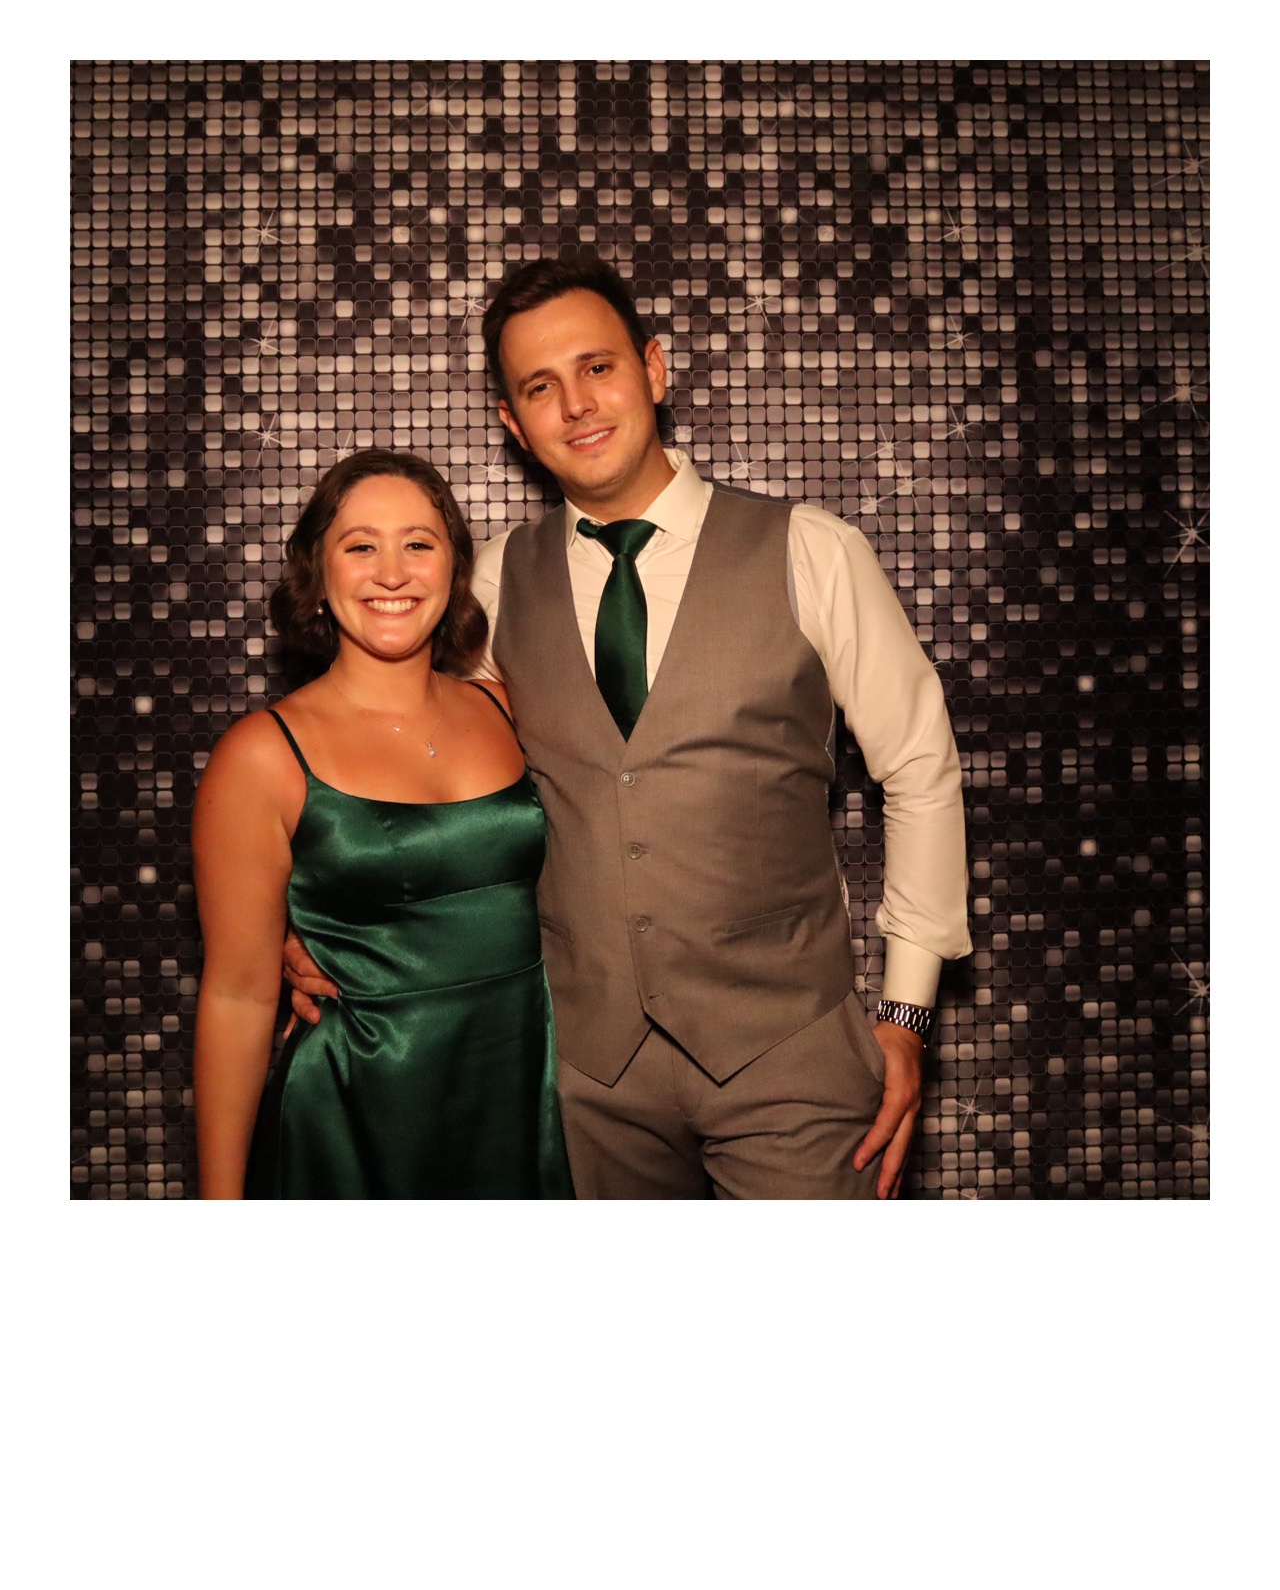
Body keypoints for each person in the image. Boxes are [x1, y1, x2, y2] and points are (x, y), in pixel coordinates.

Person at [287, 256, 972, 1199]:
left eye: (597, 367)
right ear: (512, 423)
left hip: (792, 1059)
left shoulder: (811, 550)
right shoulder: (486, 583)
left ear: (653, 369)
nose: (576, 404)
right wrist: (313, 922)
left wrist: (909, 1012)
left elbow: (921, 768)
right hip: (585, 1076)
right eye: (540, 386)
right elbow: (412, 776)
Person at [192, 447, 573, 1199]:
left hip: (521, 1093)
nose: (392, 573)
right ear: (317, 573)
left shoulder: (509, 707)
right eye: (361, 546)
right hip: (356, 1113)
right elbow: (236, 998)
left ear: (454, 571)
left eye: (418, 545)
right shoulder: (262, 755)